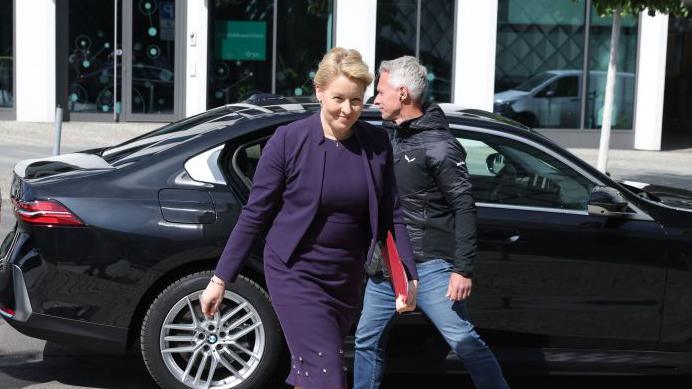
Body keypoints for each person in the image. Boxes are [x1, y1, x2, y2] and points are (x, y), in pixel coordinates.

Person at [199, 48, 418, 389]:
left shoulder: (376, 144)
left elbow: (393, 214)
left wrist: (406, 273)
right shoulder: (288, 141)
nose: (347, 109)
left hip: (345, 277)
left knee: (311, 371)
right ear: (319, 92)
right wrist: (220, 278)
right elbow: (255, 214)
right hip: (295, 273)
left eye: (357, 101)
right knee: (327, 375)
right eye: (338, 98)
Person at [354, 56, 510, 389]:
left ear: (402, 94)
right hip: (388, 264)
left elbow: (465, 207)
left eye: (380, 92)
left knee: (465, 343)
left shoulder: (440, 146)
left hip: (431, 267)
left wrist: (463, 269)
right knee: (366, 342)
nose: (375, 100)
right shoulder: (389, 135)